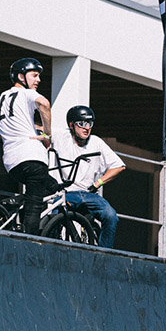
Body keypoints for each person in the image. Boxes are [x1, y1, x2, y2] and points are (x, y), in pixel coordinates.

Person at [0, 58, 58, 236]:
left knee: (51, 186)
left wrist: (21, 124)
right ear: (21, 77)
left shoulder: (3, 96)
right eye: (34, 75)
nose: (38, 80)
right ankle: (30, 241)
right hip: (32, 156)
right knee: (35, 205)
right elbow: (44, 104)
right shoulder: (27, 94)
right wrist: (47, 134)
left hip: (11, 162)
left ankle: (17, 205)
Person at [49, 106, 125, 250]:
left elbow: (119, 166)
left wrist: (98, 183)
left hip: (89, 194)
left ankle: (104, 252)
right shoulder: (61, 136)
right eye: (82, 124)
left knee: (111, 216)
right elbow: (42, 131)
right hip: (67, 193)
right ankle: (52, 246)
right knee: (54, 212)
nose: (87, 128)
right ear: (71, 125)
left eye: (90, 124)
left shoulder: (96, 142)